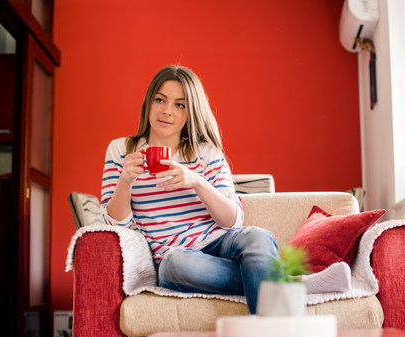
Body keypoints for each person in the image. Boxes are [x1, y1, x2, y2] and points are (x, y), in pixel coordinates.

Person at [100, 65, 280, 314]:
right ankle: (274, 280)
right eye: (160, 100)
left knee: (258, 237)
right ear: (149, 102)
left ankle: (272, 328)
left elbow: (233, 221)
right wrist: (125, 180)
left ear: (190, 112)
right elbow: (115, 225)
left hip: (220, 244)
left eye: (180, 105)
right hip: (175, 258)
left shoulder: (206, 153)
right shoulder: (121, 150)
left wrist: (197, 181)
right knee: (177, 264)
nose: (167, 111)